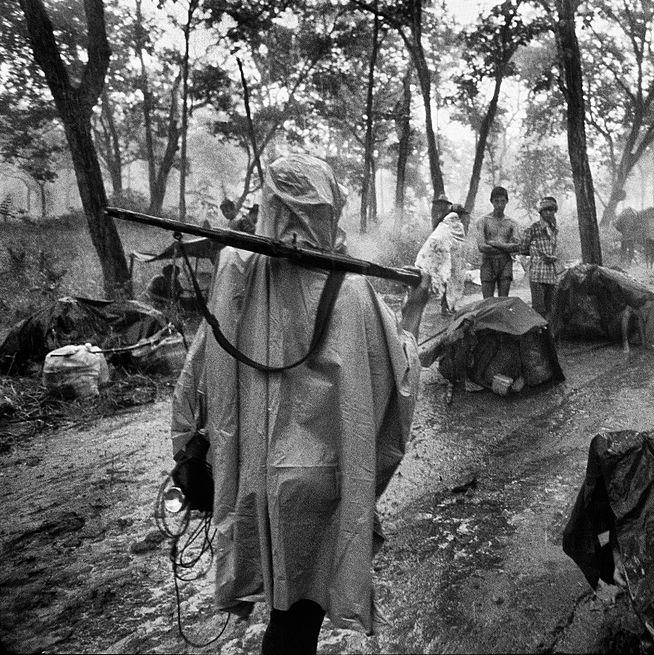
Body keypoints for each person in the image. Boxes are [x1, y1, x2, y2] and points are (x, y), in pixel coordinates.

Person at [170, 154, 431, 655]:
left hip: (254, 483)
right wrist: (415, 307)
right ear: (328, 210)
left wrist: (188, 446)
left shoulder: (236, 282)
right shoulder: (351, 292)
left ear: (270, 206)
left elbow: (194, 380)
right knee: (296, 625)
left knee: (282, 615)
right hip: (318, 488)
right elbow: (396, 380)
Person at [415, 203, 470, 315]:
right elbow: (459, 244)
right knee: (449, 279)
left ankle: (446, 306)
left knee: (444, 278)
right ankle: (447, 307)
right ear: (460, 214)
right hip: (445, 253)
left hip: (436, 253)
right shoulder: (457, 224)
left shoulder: (443, 223)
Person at [519, 197, 560, 319]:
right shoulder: (533, 229)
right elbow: (523, 249)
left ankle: (548, 336)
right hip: (537, 274)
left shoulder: (554, 230)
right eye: (546, 210)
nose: (549, 213)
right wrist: (535, 254)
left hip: (550, 275)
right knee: (538, 309)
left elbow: (554, 249)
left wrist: (552, 257)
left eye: (552, 210)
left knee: (550, 308)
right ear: (541, 212)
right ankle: (538, 335)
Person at [476, 186, 519, 298]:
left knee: (503, 299)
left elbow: (517, 247)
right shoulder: (483, 221)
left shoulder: (512, 223)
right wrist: (505, 248)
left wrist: (496, 244)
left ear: (507, 202)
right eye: (496, 201)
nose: (499, 205)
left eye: (502, 201)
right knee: (487, 301)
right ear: (491, 202)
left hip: (505, 263)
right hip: (488, 262)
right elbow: (481, 246)